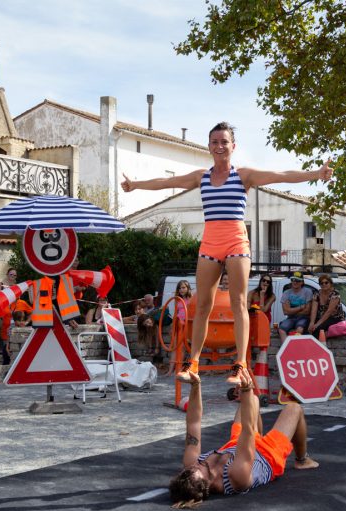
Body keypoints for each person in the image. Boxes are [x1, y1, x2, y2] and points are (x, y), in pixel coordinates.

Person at [122, 121, 333, 383]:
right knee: (202, 306)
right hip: (210, 243)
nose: (219, 146)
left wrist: (316, 174)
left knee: (238, 302)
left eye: (224, 142)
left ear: (233, 146)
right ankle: (193, 363)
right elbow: (168, 181)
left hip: (236, 242)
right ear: (209, 146)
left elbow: (281, 175)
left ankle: (240, 364)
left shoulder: (243, 176)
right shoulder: (202, 177)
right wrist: (136, 185)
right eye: (214, 142)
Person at [168, 367, 318, 508]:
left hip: (237, 446)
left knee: (253, 399)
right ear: (206, 482)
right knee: (294, 408)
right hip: (268, 456)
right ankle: (302, 460)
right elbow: (248, 431)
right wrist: (246, 391)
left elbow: (194, 422)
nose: (193, 465)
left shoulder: (191, 467)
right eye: (197, 468)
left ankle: (250, 399)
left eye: (188, 470)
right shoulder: (236, 477)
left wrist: (195, 385)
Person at [278, 271, 314, 343]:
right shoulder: (286, 292)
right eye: (293, 280)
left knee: (299, 329)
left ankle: (294, 349)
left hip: (303, 318)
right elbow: (285, 312)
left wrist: (291, 310)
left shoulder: (308, 291)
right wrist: (301, 307)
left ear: (302, 282)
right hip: (291, 318)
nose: (295, 282)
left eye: (297, 280)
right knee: (281, 330)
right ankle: (286, 350)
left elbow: (307, 311)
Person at [308, 273, 346, 338]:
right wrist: (312, 323)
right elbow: (314, 310)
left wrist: (317, 324)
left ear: (330, 283)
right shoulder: (317, 294)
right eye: (321, 283)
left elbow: (329, 311)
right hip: (321, 317)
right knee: (307, 326)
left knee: (318, 329)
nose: (324, 284)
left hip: (334, 318)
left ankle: (316, 346)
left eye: (326, 282)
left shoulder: (335, 294)